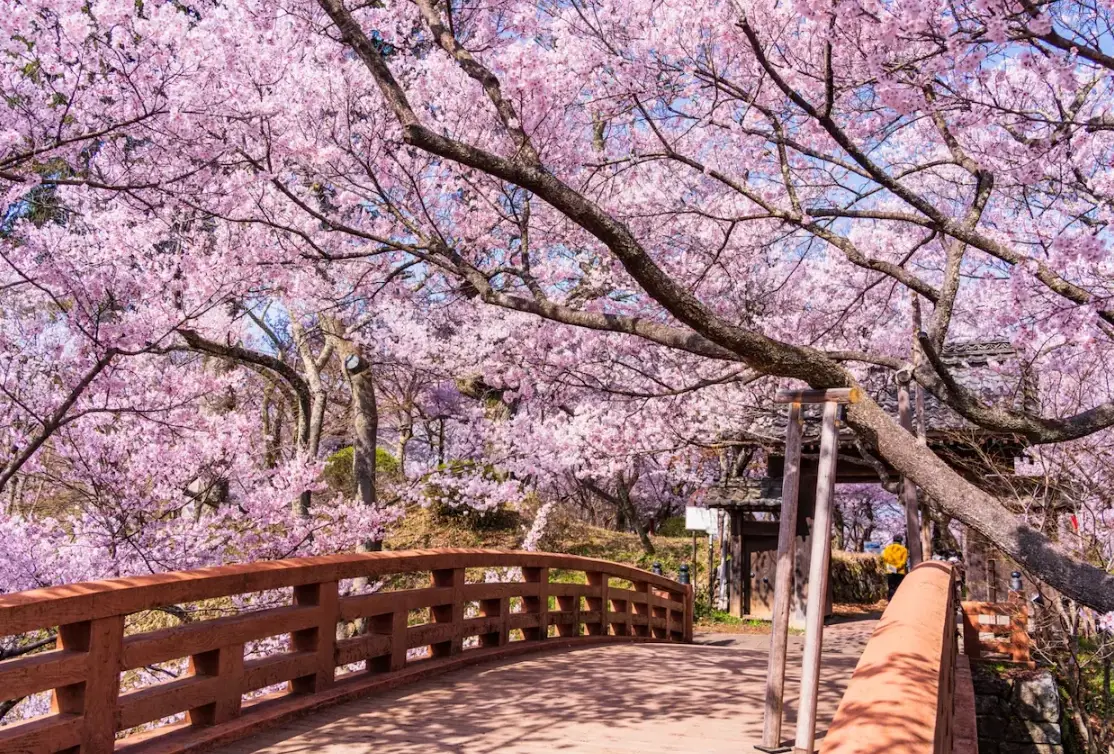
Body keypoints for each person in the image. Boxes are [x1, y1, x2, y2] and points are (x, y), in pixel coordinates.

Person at [881, 535, 909, 601]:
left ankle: (890, 601)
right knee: (899, 587)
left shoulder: (887, 548)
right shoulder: (904, 549)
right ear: (901, 541)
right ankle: (898, 601)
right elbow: (903, 561)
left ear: (893, 540)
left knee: (891, 587)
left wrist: (892, 568)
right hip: (900, 571)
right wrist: (897, 568)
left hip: (890, 570)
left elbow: (884, 559)